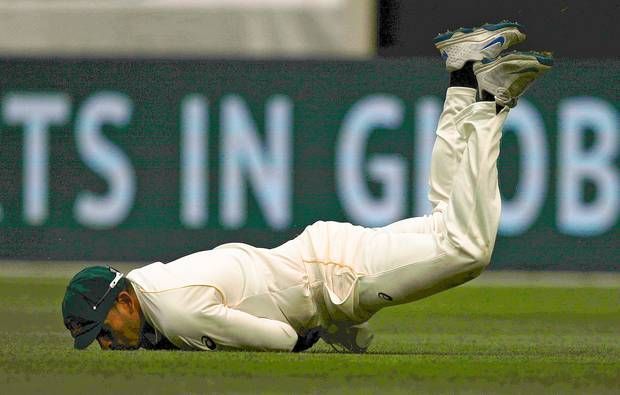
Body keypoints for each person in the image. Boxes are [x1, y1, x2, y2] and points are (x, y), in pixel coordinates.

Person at [62, 21, 552, 353]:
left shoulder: (174, 310)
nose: (105, 345)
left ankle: (488, 101)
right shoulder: (149, 285)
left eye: (102, 331)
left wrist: (312, 334)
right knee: (447, 216)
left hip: (331, 280)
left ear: (124, 301)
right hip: (319, 263)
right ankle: (465, 77)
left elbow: (278, 339)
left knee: (466, 249)